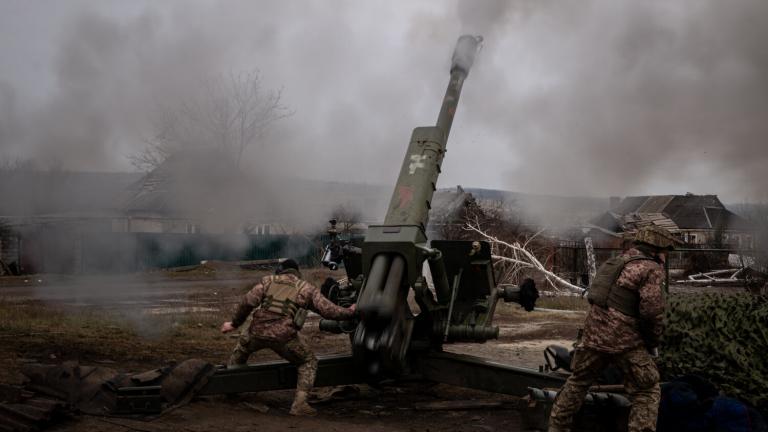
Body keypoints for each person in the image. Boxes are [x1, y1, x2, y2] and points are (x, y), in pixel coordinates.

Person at [548, 225, 679, 432]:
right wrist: (653, 341)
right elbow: (651, 312)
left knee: (577, 383)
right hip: (625, 341)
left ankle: (556, 427)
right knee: (647, 389)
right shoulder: (651, 269)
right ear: (657, 250)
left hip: (593, 337)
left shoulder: (616, 262)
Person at [220, 258, 356, 416]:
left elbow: (247, 302)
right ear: (297, 273)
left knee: (242, 347)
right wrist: (350, 312)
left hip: (256, 332)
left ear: (280, 271)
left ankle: (230, 387)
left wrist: (234, 323)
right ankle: (300, 404)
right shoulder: (306, 288)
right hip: (284, 338)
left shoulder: (268, 281)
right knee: (308, 361)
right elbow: (328, 311)